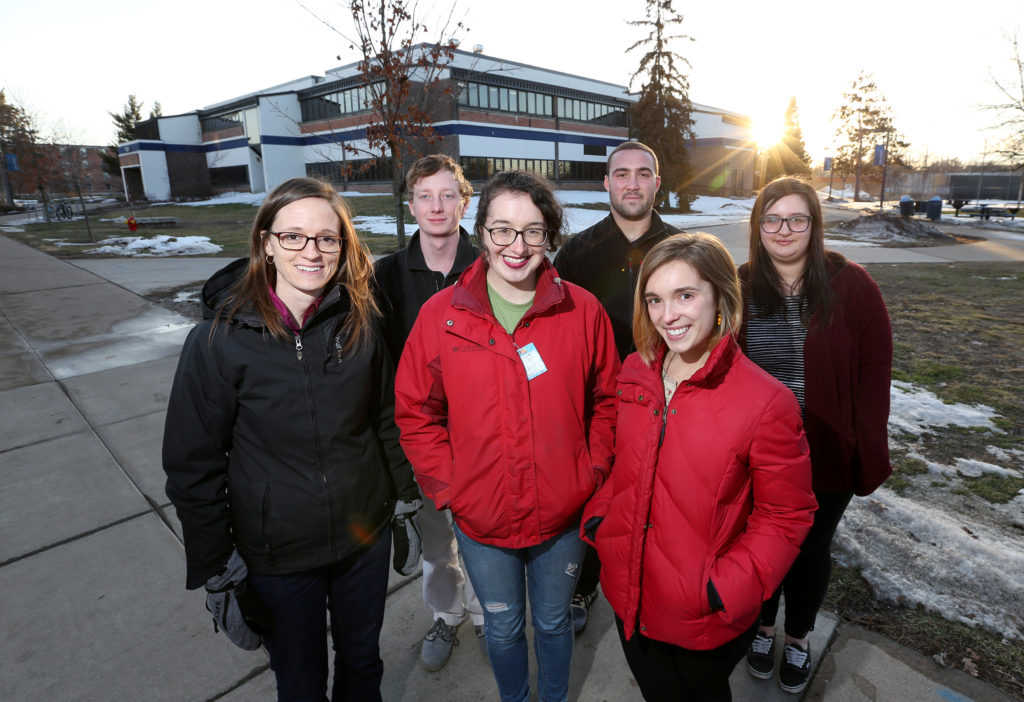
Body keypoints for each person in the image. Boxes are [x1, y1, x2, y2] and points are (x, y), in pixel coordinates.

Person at [163, 177, 419, 702]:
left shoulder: (361, 321)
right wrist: (217, 567)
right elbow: (193, 465)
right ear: (266, 243)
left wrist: (404, 498)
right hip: (278, 557)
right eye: (294, 236)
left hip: (363, 538)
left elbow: (384, 419)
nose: (312, 251)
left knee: (363, 665)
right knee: (300, 685)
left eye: (327, 238)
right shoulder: (219, 340)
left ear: (343, 248)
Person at [395, 170, 620, 702]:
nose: (517, 247)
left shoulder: (582, 311)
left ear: (550, 236)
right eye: (502, 229)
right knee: (502, 628)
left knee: (554, 623)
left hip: (561, 516)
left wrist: (590, 472)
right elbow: (414, 410)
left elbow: (608, 403)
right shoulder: (440, 316)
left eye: (533, 231)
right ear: (481, 232)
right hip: (481, 518)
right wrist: (451, 487)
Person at [582, 232, 817, 702]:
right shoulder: (635, 372)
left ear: (721, 297)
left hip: (704, 615)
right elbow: (626, 463)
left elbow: (786, 514)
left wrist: (724, 588)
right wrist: (602, 522)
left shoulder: (766, 401)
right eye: (654, 299)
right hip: (628, 593)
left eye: (684, 295)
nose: (667, 316)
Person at [738, 177, 892, 694]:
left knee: (809, 548)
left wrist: (863, 442)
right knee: (758, 543)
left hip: (826, 452)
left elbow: (874, 371)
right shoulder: (737, 285)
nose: (784, 230)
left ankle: (798, 636)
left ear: (814, 225)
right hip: (756, 455)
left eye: (797, 219)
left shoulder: (851, 285)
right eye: (772, 219)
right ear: (758, 227)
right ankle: (761, 628)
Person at [552, 140, 681, 634]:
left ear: (656, 183)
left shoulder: (679, 249)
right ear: (606, 183)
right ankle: (585, 582)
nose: (632, 182)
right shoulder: (578, 253)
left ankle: (653, 587)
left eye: (642, 173)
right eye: (621, 173)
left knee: (660, 500)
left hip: (664, 404)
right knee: (596, 497)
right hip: (596, 407)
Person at [373, 154, 485, 671]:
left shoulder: (490, 265)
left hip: (486, 432)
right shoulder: (386, 277)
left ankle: (490, 616)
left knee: (485, 538)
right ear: (410, 204)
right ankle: (446, 613)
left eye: (447, 195)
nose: (437, 206)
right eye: (425, 195)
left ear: (465, 202)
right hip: (421, 438)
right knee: (438, 542)